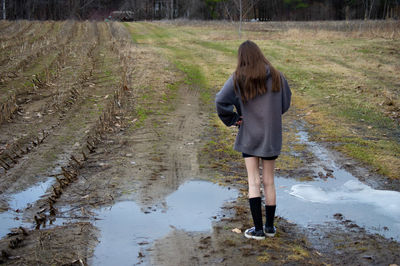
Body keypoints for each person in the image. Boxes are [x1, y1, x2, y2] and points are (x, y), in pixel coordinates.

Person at [215, 40, 291, 240]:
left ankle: (257, 230)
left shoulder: (238, 77)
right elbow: (285, 103)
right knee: (269, 181)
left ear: (242, 58)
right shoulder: (277, 76)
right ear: (259, 54)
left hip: (249, 134)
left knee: (253, 182)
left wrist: (233, 119)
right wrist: (272, 116)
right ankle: (270, 228)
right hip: (271, 135)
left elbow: (220, 100)